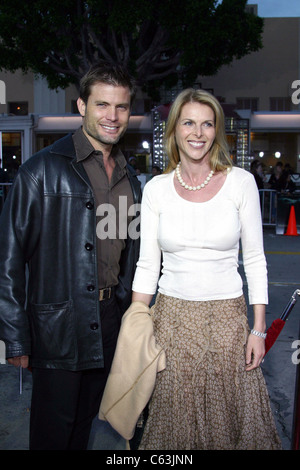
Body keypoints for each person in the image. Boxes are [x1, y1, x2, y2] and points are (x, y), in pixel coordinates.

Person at [0, 61, 141, 450]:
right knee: (52, 433)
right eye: (102, 105)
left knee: (84, 426)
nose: (112, 117)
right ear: (81, 106)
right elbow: (7, 259)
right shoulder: (40, 171)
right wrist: (16, 338)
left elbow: (131, 251)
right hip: (57, 327)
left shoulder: (130, 177)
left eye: (122, 107)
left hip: (110, 320)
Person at [131, 88, 281, 450]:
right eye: (188, 123)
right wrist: (135, 323)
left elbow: (256, 259)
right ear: (174, 130)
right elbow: (148, 263)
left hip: (227, 321)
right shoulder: (156, 189)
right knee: (174, 424)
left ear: (217, 131)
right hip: (171, 319)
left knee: (228, 421)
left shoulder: (241, 183)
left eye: (207, 124)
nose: (197, 133)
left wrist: (258, 329)